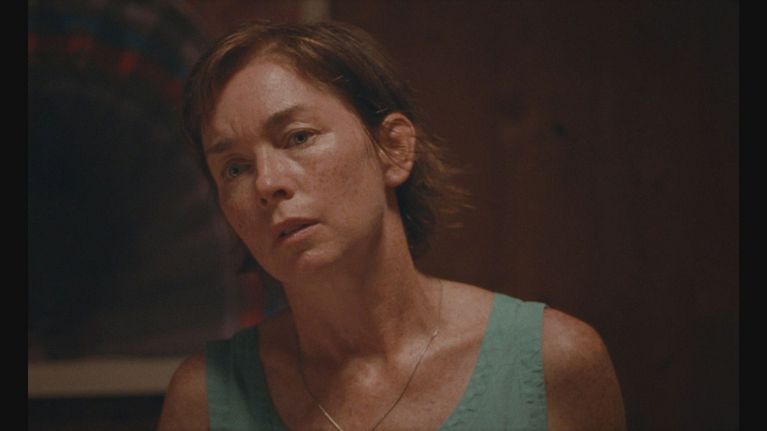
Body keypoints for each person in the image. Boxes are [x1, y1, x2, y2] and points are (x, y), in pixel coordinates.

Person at [157, 20, 626, 431]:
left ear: (393, 149)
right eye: (235, 168)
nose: (267, 182)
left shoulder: (549, 362)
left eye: (298, 137)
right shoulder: (205, 401)